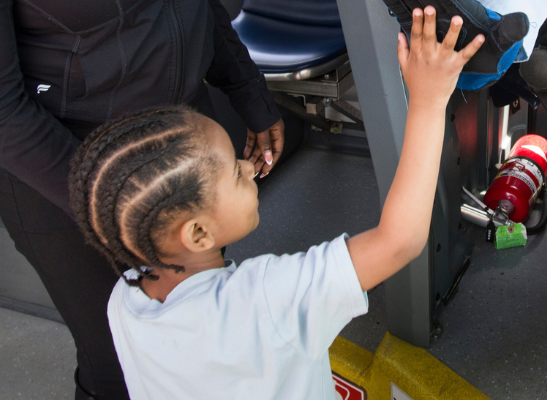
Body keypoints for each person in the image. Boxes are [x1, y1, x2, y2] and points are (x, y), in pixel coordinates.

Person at [66, 8, 480, 398]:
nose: (248, 168)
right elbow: (399, 241)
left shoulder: (125, 299)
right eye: (233, 170)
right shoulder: (265, 300)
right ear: (197, 233)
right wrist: (428, 99)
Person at [0, 0, 289, 398]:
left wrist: (247, 87)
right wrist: (126, 211)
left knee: (201, 347)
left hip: (184, 151)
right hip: (71, 181)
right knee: (126, 368)